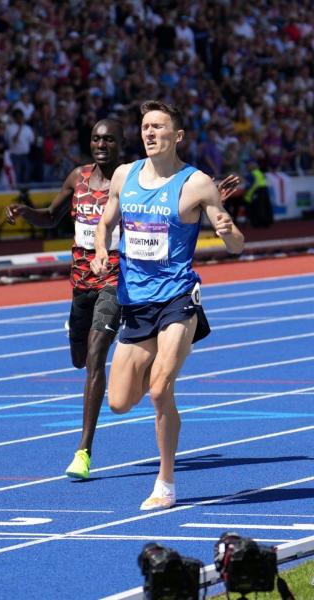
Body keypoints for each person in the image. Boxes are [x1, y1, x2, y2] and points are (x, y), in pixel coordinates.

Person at [90, 100, 244, 511]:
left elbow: (236, 244)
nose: (150, 132)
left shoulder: (196, 184)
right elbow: (106, 220)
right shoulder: (124, 176)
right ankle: (161, 381)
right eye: (145, 127)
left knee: (159, 389)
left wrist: (228, 232)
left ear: (177, 136)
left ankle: (166, 482)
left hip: (178, 299)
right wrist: (101, 250)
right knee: (120, 402)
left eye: (158, 126)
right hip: (135, 303)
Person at [5, 119, 125, 480]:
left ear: (120, 144)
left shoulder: (131, 180)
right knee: (78, 357)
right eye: (96, 138)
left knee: (95, 356)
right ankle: (75, 329)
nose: (101, 144)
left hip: (116, 276)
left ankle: (83, 451)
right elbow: (51, 216)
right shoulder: (78, 177)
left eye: (109, 139)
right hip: (80, 279)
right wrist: (26, 213)